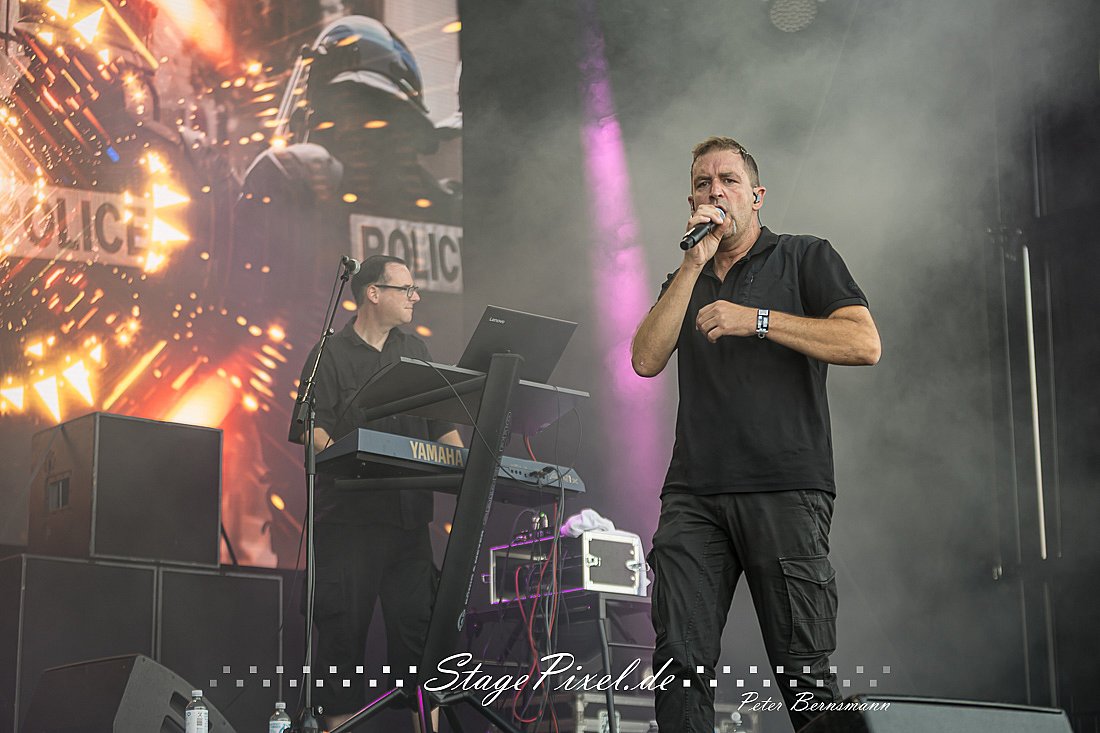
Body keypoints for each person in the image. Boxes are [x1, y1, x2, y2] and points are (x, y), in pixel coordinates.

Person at [631, 136, 881, 732]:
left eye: (729, 181)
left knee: (804, 672)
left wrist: (759, 320)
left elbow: (864, 343)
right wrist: (692, 265)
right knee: (679, 664)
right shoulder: (684, 277)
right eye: (702, 183)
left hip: (784, 487)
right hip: (694, 493)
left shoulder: (804, 256)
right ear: (690, 201)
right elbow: (644, 359)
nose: (715, 191)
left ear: (757, 195)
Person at [289, 254, 461, 730]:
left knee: (421, 644)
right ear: (373, 293)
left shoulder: (416, 350)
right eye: (406, 289)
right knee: (342, 640)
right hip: (349, 522)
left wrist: (466, 464)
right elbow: (311, 428)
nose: (415, 297)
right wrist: (350, 458)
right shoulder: (329, 353)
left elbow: (442, 424)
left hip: (408, 524)